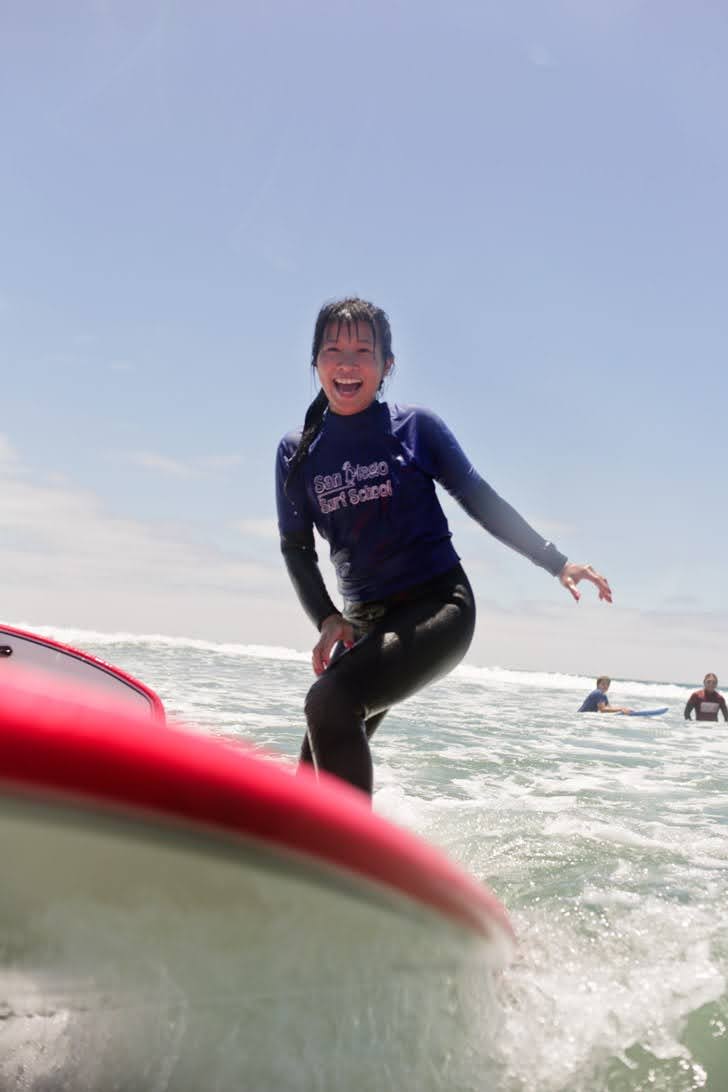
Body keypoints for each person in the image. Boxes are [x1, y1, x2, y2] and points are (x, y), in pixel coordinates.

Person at [275, 297, 613, 797]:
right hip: (365, 621)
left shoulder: (414, 428)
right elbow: (295, 548)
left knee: (329, 702)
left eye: (363, 351)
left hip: (439, 608)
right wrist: (327, 617)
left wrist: (556, 562)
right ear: (316, 362)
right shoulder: (297, 452)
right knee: (316, 754)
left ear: (387, 365)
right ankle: (290, 854)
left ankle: (351, 863)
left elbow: (479, 498)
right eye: (332, 350)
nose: (347, 365)